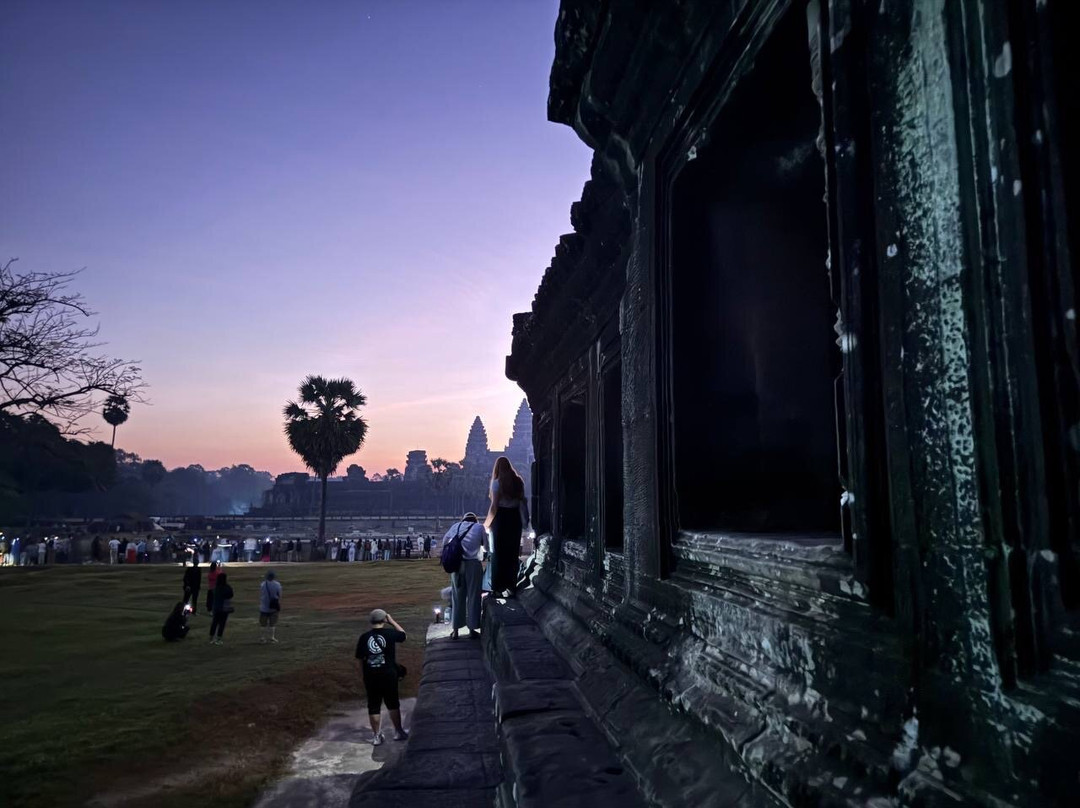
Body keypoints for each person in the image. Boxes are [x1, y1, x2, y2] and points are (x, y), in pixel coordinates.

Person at [356, 609, 409, 746]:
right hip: (389, 674)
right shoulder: (390, 634)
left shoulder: (364, 637)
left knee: (373, 706)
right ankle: (398, 731)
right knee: (393, 703)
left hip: (371, 676)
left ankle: (376, 736)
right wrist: (391, 621)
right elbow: (403, 636)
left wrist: (364, 674)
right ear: (384, 619)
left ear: (371, 621)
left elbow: (360, 659)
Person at [485, 456, 530, 597]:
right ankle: (511, 585)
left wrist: (486, 523)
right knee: (512, 552)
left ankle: (498, 587)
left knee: (498, 553)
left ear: (497, 468)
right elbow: (522, 501)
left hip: (501, 518)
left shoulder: (497, 483)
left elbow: (494, 506)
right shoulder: (518, 482)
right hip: (515, 518)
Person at [444, 513, 485, 639]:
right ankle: (472, 629)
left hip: (457, 565)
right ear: (475, 520)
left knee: (457, 597)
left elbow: (446, 540)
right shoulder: (479, 527)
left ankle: (455, 630)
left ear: (463, 520)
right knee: (474, 596)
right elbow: (487, 546)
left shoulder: (456, 526)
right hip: (473, 564)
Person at [209, 572, 234, 644]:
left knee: (214, 622)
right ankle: (219, 638)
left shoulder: (216, 588)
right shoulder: (227, 587)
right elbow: (231, 595)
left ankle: (211, 637)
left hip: (216, 607)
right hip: (224, 608)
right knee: (222, 624)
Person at [259, 570, 283, 643]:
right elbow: (279, 595)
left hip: (264, 606)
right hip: (273, 607)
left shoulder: (263, 584)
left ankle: (262, 638)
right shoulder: (277, 584)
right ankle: (272, 637)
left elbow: (261, 593)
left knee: (263, 624)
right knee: (273, 623)